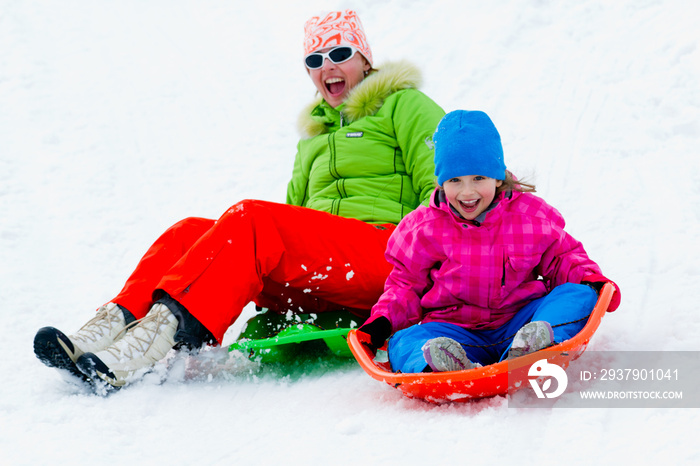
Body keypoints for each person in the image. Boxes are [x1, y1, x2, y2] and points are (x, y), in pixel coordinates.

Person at [33, 10, 445, 390]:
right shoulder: (313, 138)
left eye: (340, 53)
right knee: (190, 233)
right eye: (315, 61)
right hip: (325, 277)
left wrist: (435, 275)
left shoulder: (404, 105)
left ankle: (147, 346)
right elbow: (295, 221)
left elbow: (442, 187)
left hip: (385, 257)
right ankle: (112, 326)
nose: (328, 67)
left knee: (252, 219)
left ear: (365, 59)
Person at [357, 110, 621, 373]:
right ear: (440, 183)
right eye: (455, 180)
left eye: (478, 178)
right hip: (454, 331)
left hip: (522, 321)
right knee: (405, 341)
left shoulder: (529, 217)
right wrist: (382, 322)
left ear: (498, 176)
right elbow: (405, 286)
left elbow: (562, 258)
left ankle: (532, 347)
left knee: (578, 295)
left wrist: (589, 280)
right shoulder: (422, 229)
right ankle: (440, 364)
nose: (467, 191)